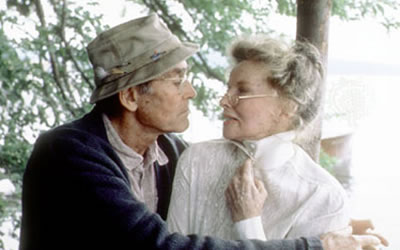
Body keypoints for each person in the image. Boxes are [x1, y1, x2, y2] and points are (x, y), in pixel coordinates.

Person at [19, 13, 383, 250]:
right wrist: (317, 246)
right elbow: (160, 246)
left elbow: (231, 171)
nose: (192, 91)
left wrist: (339, 222)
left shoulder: (173, 152)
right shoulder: (67, 153)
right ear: (130, 96)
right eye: (177, 80)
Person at [166, 35, 380, 244]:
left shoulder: (323, 196)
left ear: (288, 106)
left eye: (242, 91)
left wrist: (248, 223)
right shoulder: (197, 159)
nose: (224, 101)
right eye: (227, 89)